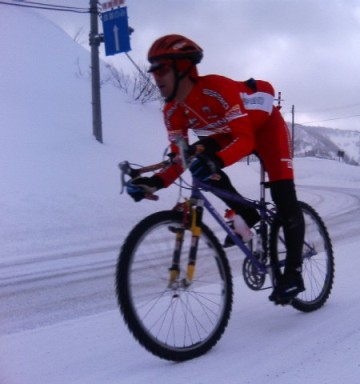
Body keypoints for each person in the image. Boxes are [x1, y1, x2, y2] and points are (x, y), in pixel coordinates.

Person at [127, 34, 305, 304]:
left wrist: (217, 160)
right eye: (153, 71)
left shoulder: (216, 88)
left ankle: (293, 273)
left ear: (184, 67)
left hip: (265, 129)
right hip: (226, 132)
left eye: (162, 69)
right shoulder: (172, 110)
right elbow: (180, 159)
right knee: (197, 164)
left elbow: (245, 140)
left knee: (284, 198)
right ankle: (246, 212)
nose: (156, 77)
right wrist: (154, 182)